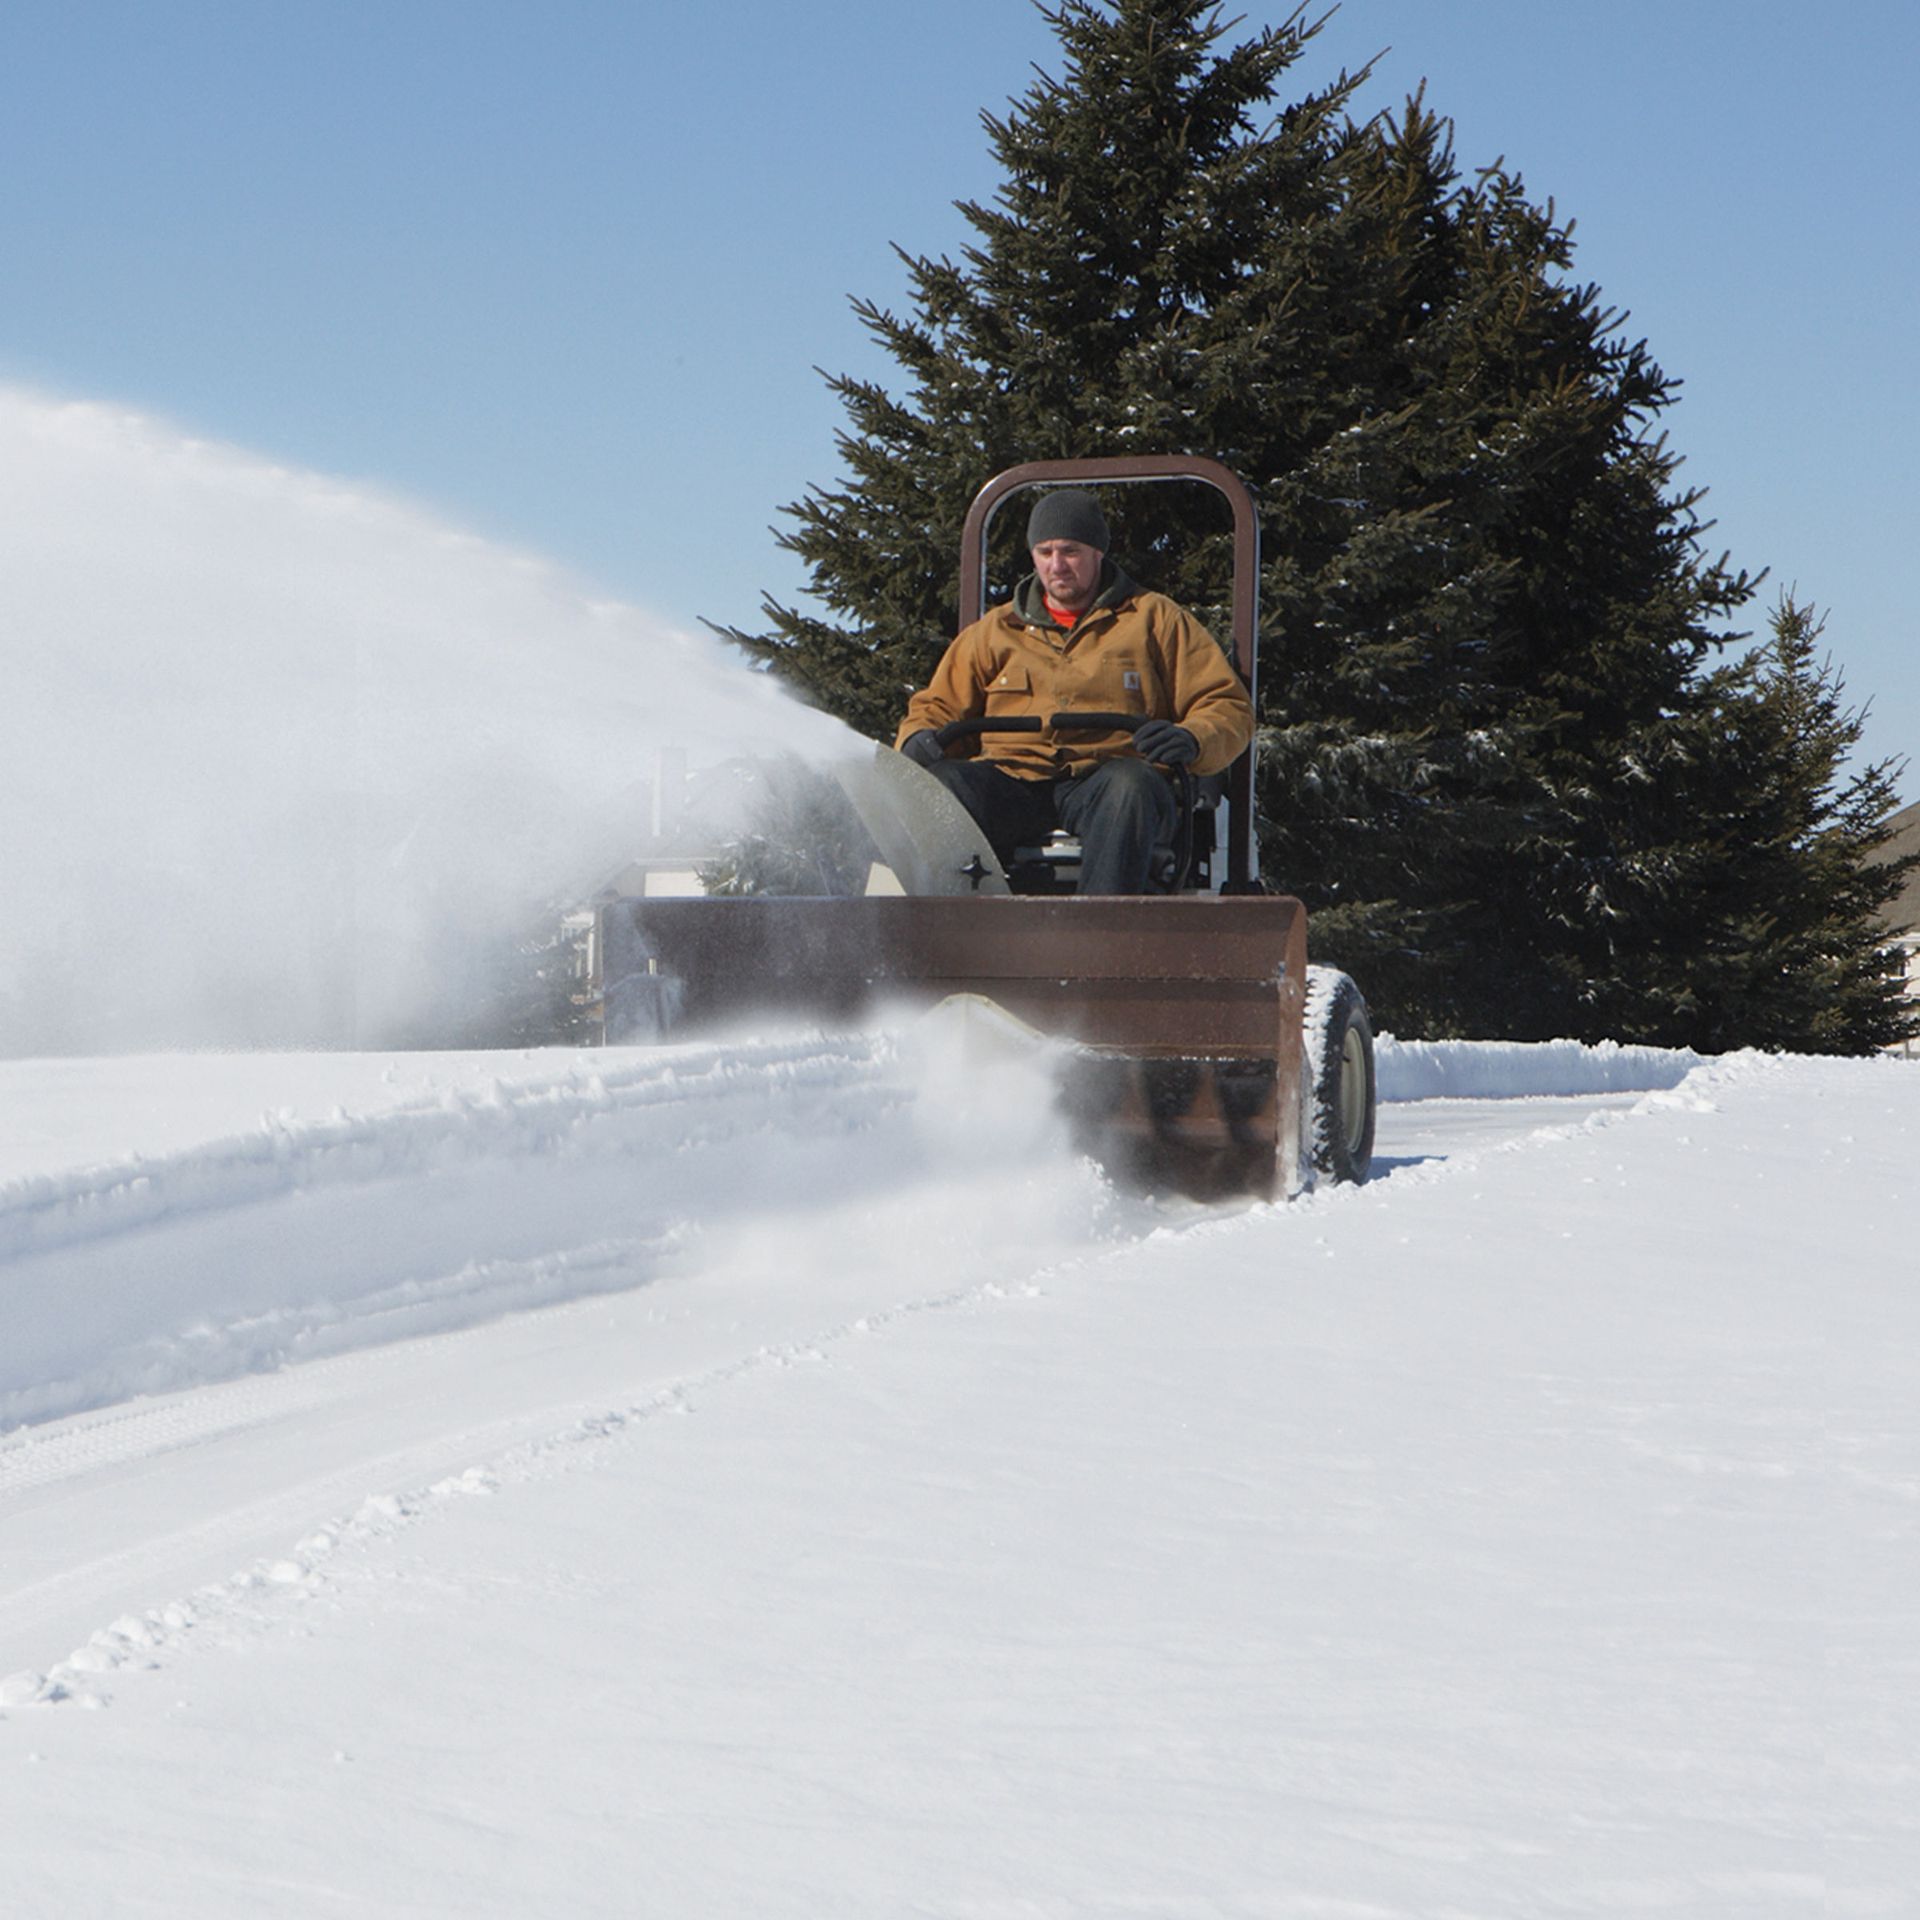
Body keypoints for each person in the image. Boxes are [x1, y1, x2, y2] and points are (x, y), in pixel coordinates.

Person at [895, 487, 1254, 892]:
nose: (1057, 565)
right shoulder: (993, 634)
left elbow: (1226, 705)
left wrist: (1192, 738)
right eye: (1045, 552)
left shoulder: (1154, 620)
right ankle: (958, 928)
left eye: (1070, 551)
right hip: (1014, 780)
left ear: (1098, 551)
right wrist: (917, 740)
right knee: (947, 785)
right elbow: (937, 707)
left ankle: (1099, 936)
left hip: (1107, 778)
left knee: (1130, 787)